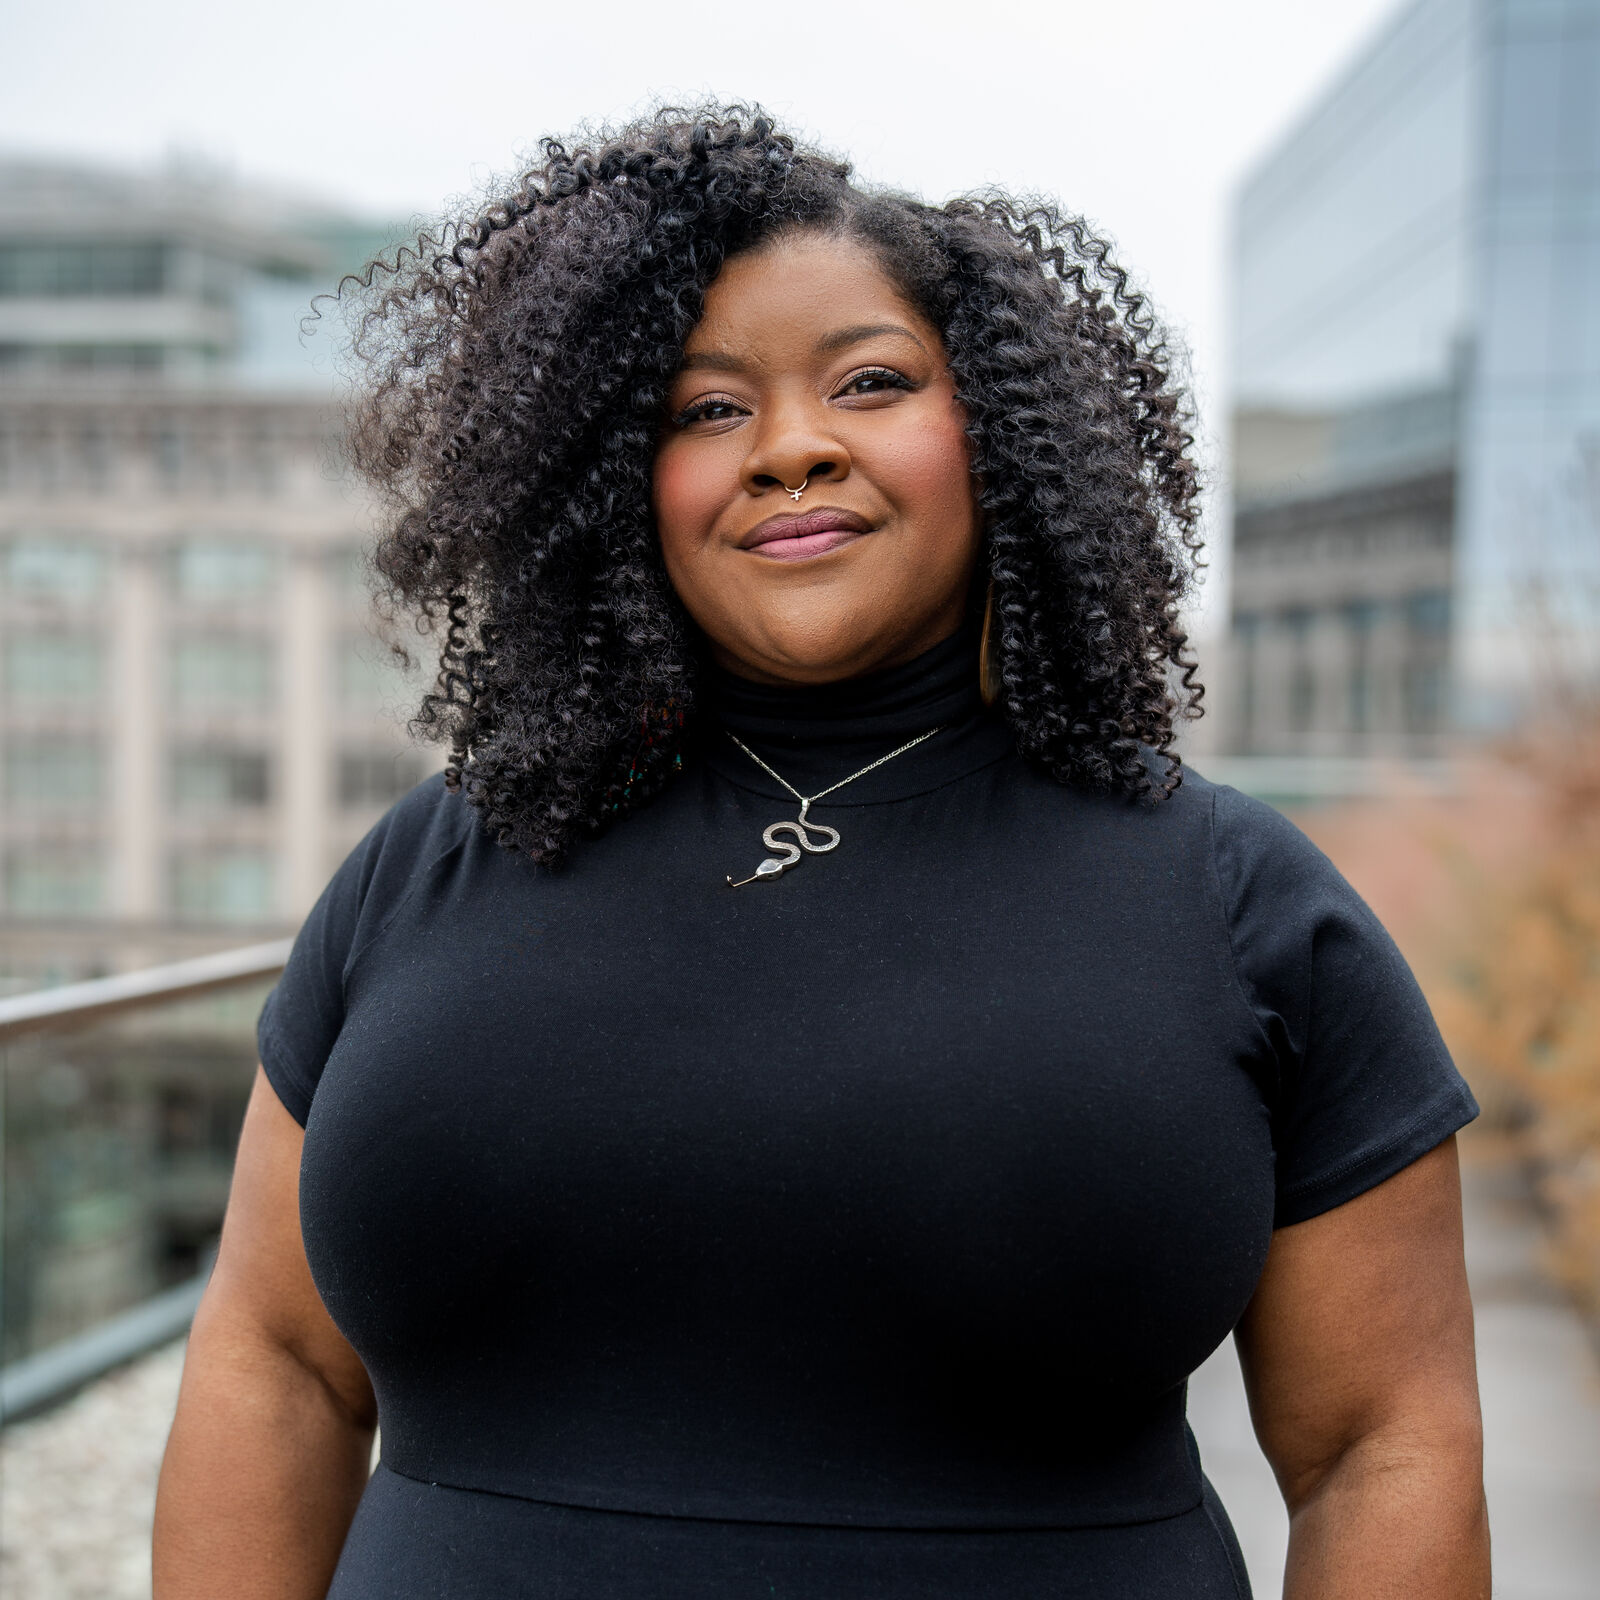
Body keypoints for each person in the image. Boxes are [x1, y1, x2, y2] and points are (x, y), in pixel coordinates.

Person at [153, 107, 1489, 1599]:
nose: (791, 447)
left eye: (870, 382)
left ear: (1000, 430)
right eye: (703, 408)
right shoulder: (427, 867)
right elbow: (274, 1368)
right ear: (605, 485)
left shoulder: (1242, 903)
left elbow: (1388, 1443)